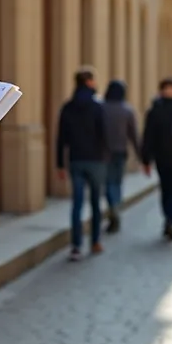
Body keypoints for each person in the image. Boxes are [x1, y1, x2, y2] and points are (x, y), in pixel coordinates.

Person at [55, 66, 109, 260]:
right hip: (96, 161)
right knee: (95, 202)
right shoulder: (98, 106)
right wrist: (107, 158)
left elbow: (61, 139)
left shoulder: (68, 107)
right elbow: (105, 135)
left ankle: (76, 246)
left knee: (77, 204)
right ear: (89, 82)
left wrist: (60, 164)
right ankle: (95, 241)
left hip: (76, 160)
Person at [141, 77, 172, 240]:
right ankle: (171, 218)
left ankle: (169, 218)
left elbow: (147, 136)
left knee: (167, 189)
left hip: (165, 157)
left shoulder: (156, 110)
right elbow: (148, 136)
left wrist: (146, 159)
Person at [102, 79, 142, 233]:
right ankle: (116, 207)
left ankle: (112, 206)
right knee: (117, 182)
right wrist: (140, 155)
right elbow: (133, 135)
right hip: (120, 151)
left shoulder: (102, 108)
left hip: (104, 152)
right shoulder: (127, 110)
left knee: (107, 183)